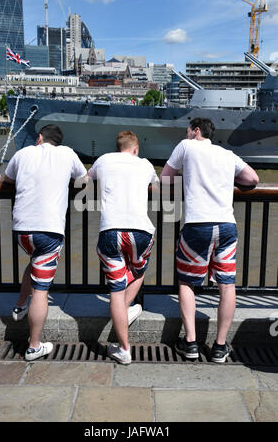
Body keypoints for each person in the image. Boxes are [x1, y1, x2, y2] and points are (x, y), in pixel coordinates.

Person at [161, 117, 259, 363]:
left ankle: (191, 343)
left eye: (188, 130)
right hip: (226, 225)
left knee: (186, 282)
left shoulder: (186, 146)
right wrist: (226, 182)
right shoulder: (227, 155)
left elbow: (165, 177)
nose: (186, 134)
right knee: (227, 285)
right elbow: (253, 179)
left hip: (198, 225)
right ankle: (219, 347)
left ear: (196, 131)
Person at [4, 124, 87, 361]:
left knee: (34, 262)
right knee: (41, 289)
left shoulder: (22, 153)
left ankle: (20, 305)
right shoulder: (68, 154)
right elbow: (83, 178)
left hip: (21, 230)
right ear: (57, 141)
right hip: (49, 230)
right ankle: (34, 346)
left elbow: (8, 179)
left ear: (39, 138)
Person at [88, 130, 158, 365]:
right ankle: (125, 310)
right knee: (139, 270)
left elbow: (86, 179)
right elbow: (157, 186)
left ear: (118, 146)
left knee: (115, 289)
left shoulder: (104, 160)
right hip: (140, 231)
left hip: (111, 230)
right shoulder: (145, 164)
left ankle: (124, 349)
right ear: (136, 149)